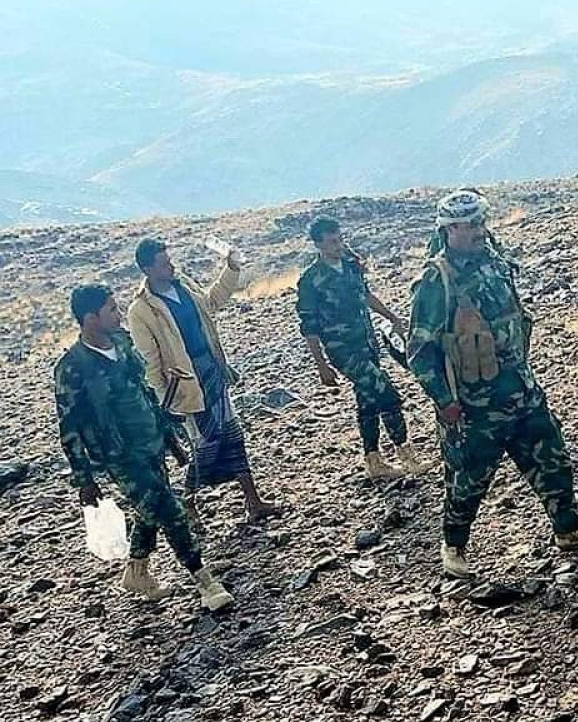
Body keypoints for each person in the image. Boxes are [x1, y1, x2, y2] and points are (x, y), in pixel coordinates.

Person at [407, 190, 578, 579]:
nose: (479, 231)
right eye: (470, 225)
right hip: (473, 408)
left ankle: (569, 530)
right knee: (468, 480)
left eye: (481, 222)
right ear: (450, 229)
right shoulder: (437, 280)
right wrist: (444, 401)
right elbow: (420, 351)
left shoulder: (494, 262)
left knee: (552, 459)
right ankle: (453, 546)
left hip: (520, 389)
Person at [54, 285, 235, 612]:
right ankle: (204, 580)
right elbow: (70, 427)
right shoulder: (72, 367)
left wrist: (169, 435)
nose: (118, 314)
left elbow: (146, 393)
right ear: (90, 318)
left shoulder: (122, 344)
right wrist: (85, 479)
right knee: (170, 509)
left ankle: (136, 571)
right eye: (111, 310)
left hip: (151, 441)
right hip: (119, 455)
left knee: (149, 510)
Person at [128, 238, 280, 524]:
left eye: (169, 259)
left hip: (210, 368)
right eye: (163, 263)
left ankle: (253, 500)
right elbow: (152, 362)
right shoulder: (141, 311)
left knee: (233, 434)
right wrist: (168, 401)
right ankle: (188, 501)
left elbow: (211, 304)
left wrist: (231, 270)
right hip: (186, 383)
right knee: (206, 443)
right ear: (148, 269)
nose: (171, 266)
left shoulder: (183, 286)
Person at [296, 217, 427, 480]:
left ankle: (373, 460)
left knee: (368, 401)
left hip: (367, 342)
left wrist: (392, 317)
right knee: (387, 394)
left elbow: (366, 296)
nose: (338, 245)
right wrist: (321, 364)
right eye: (332, 241)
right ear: (318, 244)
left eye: (339, 238)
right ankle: (405, 453)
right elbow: (309, 326)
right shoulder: (311, 280)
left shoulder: (350, 265)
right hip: (342, 350)